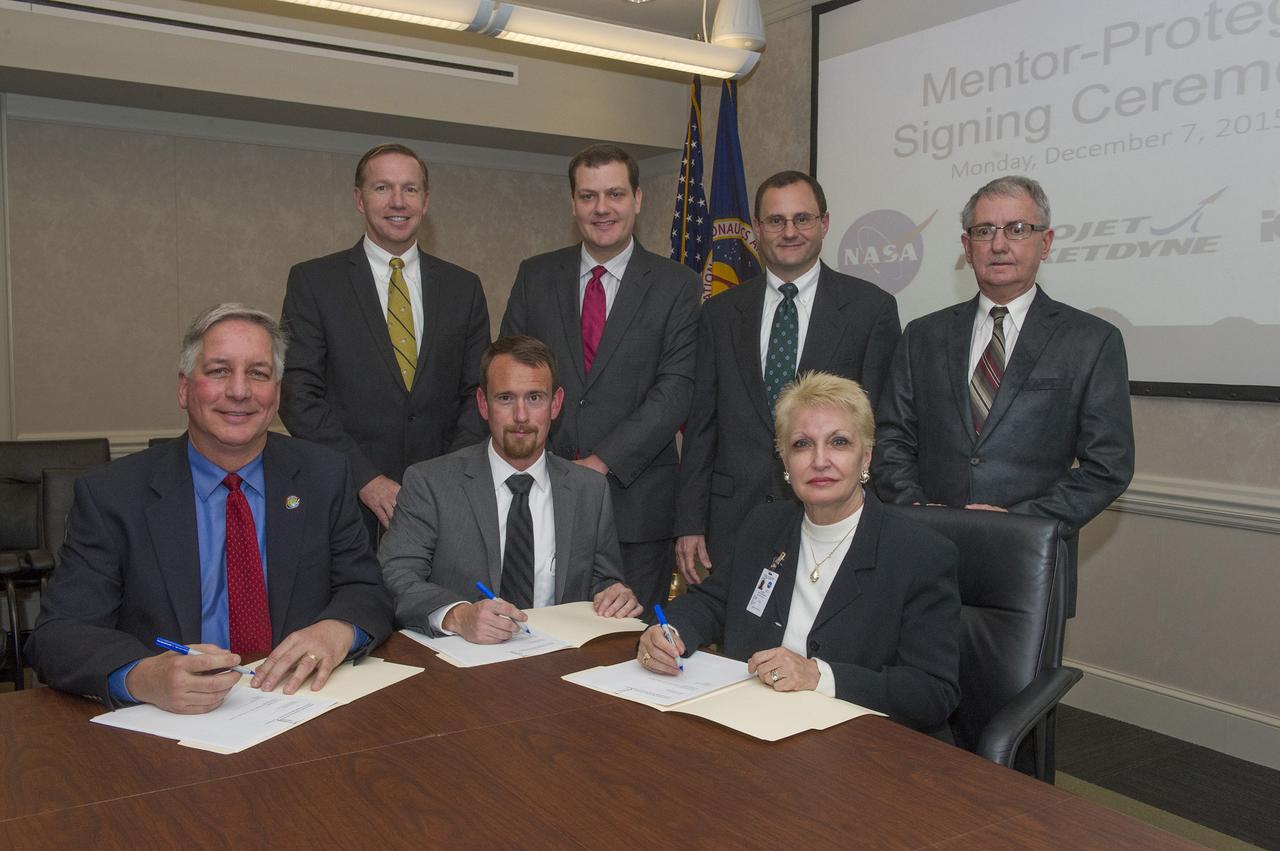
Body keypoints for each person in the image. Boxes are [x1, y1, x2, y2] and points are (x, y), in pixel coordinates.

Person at [25, 304, 394, 713]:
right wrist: (142, 676)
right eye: (219, 371)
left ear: (277, 392)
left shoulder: (323, 476)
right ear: (184, 388)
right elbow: (58, 635)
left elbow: (367, 589)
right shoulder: (113, 494)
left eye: (258, 373)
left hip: (298, 709)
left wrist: (336, 630)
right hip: (170, 725)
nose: (239, 391)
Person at [640, 372, 960, 735]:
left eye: (839, 442)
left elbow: (934, 693)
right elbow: (713, 602)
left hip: (865, 750)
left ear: (866, 457)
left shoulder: (920, 553)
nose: (820, 460)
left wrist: (820, 676)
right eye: (802, 444)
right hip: (754, 728)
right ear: (784, 461)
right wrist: (665, 630)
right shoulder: (764, 525)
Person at [872, 175, 1135, 615]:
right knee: (916, 681)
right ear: (966, 244)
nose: (999, 244)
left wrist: (1017, 523)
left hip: (1029, 561)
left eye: (1017, 229)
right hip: (922, 555)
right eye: (984, 231)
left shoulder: (1092, 341)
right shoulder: (923, 335)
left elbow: (1109, 466)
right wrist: (919, 509)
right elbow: (892, 437)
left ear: (1045, 242)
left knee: (1018, 687)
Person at [674, 171, 901, 586]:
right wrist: (690, 520)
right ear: (757, 230)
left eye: (803, 218)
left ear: (825, 223)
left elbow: (879, 429)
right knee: (733, 640)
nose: (790, 231)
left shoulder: (871, 310)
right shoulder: (720, 314)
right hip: (732, 519)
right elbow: (701, 425)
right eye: (776, 221)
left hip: (830, 515)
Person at [501, 144, 699, 613]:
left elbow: (675, 390)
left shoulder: (677, 285)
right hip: (538, 496)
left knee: (628, 650)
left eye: (614, 193)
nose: (602, 208)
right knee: (537, 641)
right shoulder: (536, 276)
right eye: (588, 196)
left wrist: (599, 463)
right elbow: (509, 374)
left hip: (636, 508)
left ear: (637, 198)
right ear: (573, 204)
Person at [281, 142, 490, 538]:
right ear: (359, 200)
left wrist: (443, 479)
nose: (398, 201)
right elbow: (298, 394)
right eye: (382, 188)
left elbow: (477, 394)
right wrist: (365, 478)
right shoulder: (314, 283)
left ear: (425, 201)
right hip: (346, 502)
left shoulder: (464, 287)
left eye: (410, 189)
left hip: (444, 507)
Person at [379, 336, 642, 644]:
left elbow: (602, 580)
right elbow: (393, 575)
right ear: (483, 404)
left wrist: (613, 595)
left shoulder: (590, 490)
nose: (520, 416)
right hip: (460, 666)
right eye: (505, 398)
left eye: (534, 398)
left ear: (555, 404)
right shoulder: (431, 483)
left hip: (560, 664)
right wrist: (459, 616)